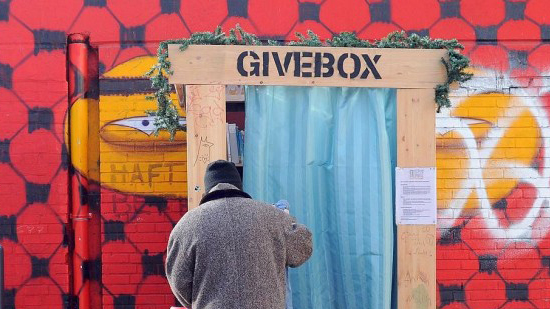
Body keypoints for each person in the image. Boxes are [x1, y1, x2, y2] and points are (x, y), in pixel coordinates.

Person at [166, 160, 313, 309]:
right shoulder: (273, 216)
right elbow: (302, 248)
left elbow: (179, 282)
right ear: (239, 186)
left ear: (207, 190)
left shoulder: (186, 226)